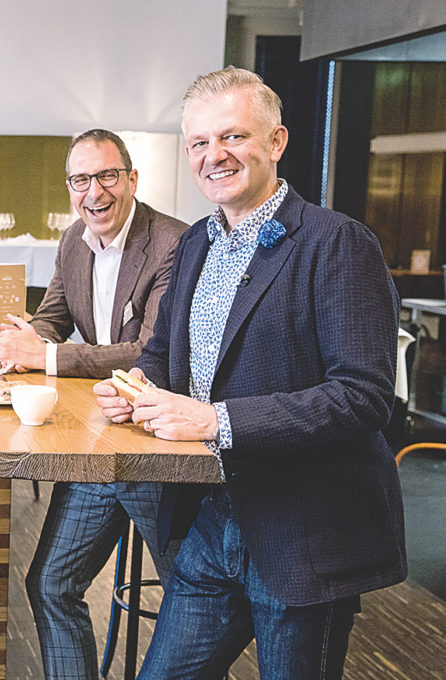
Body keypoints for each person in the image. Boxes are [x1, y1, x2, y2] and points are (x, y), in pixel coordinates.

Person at [98, 67, 407, 680]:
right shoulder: (194, 247)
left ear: (276, 142)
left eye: (233, 137)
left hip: (303, 534)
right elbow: (162, 352)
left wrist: (216, 419)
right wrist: (136, 386)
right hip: (211, 522)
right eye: (199, 143)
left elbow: (364, 398)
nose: (215, 156)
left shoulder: (337, 243)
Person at [0, 129, 187, 680]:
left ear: (130, 179)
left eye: (107, 176)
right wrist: (18, 340)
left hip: (161, 449)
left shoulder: (173, 242)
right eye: (81, 180)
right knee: (51, 585)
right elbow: (53, 318)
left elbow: (149, 353)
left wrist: (46, 358)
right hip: (100, 441)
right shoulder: (73, 240)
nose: (94, 192)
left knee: (193, 597)